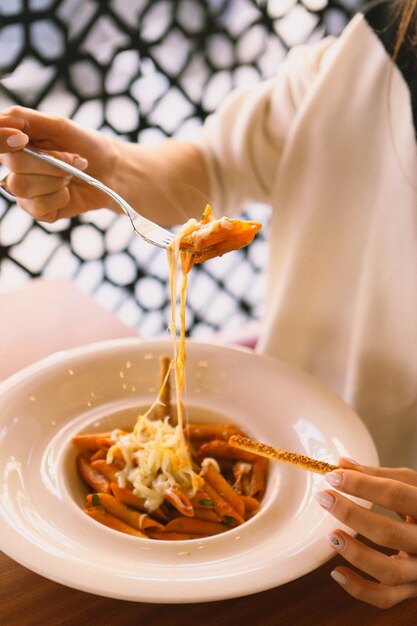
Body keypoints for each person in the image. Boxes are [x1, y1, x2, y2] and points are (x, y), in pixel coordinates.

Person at [1, 0, 417, 609]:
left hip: (387, 559)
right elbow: (217, 162)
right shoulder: (384, 37)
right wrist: (110, 168)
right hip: (285, 452)